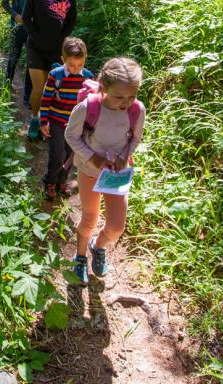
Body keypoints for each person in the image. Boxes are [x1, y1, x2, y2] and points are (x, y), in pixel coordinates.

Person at [64, 57, 146, 285]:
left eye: (132, 96)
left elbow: (136, 137)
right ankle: (80, 257)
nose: (126, 102)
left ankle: (97, 246)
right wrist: (94, 158)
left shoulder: (137, 110)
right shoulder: (88, 108)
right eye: (120, 96)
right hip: (90, 170)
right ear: (103, 87)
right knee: (90, 218)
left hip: (116, 174)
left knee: (117, 226)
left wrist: (123, 156)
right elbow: (71, 136)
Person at [22, 0, 77, 140]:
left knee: (52, 88)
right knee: (38, 88)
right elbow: (26, 17)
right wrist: (34, 36)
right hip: (36, 47)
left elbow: (71, 20)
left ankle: (49, 123)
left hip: (57, 48)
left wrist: (63, 38)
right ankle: (35, 119)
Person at [40, 37, 93, 200]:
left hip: (76, 125)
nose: (76, 69)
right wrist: (43, 121)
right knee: (57, 155)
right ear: (63, 60)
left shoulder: (88, 77)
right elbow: (46, 98)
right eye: (71, 65)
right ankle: (50, 181)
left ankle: (61, 182)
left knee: (70, 155)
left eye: (80, 65)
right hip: (56, 121)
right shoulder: (56, 75)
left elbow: (92, 103)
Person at [1, 0, 41, 105]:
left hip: (32, 30)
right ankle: (6, 85)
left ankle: (27, 97)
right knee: (14, 56)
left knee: (32, 61)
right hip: (17, 28)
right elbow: (4, 2)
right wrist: (15, 15)